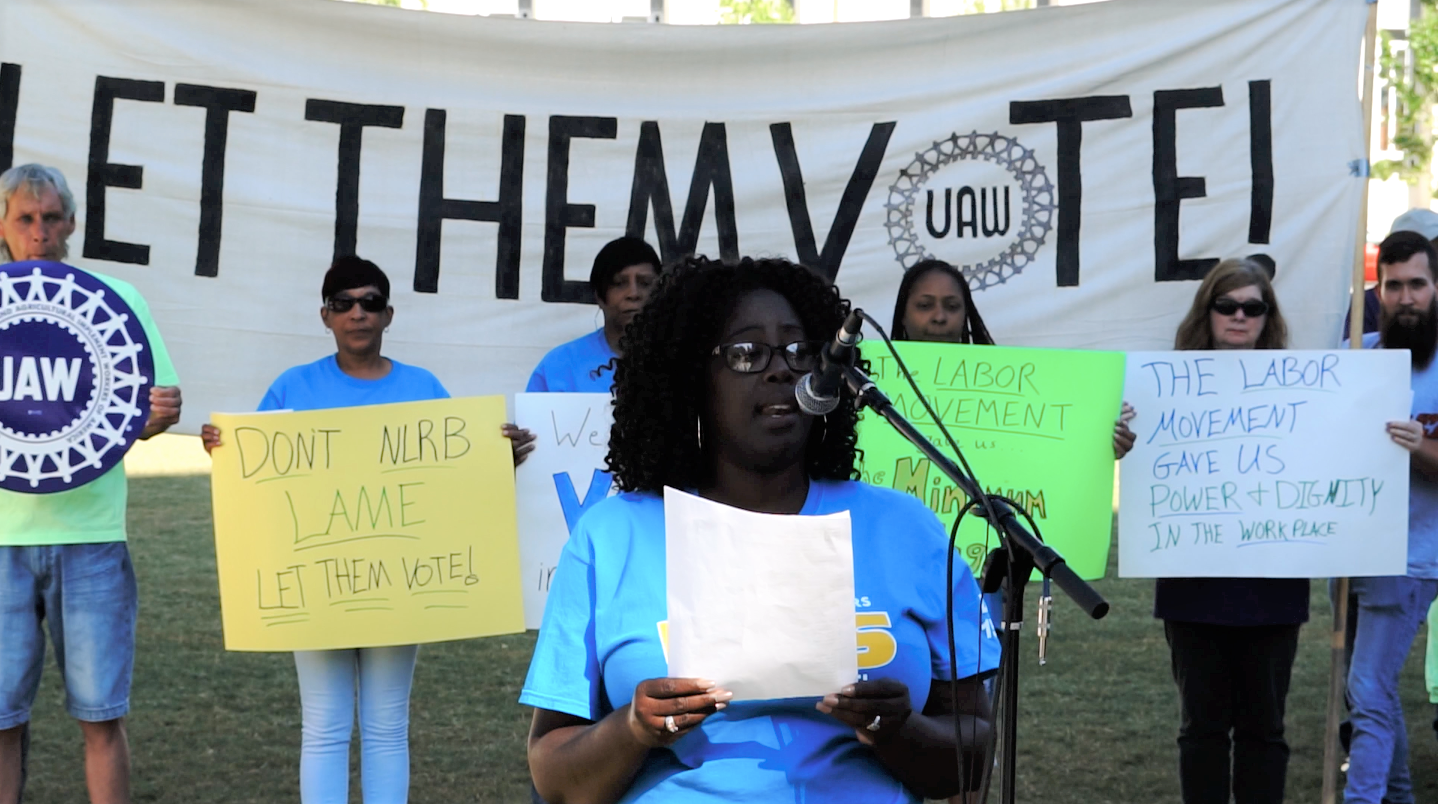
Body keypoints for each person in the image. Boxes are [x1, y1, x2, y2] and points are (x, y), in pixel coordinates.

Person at [520, 256, 1000, 803]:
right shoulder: (611, 536)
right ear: (692, 378)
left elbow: (974, 754)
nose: (780, 371)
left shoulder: (905, 528)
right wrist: (633, 729)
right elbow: (553, 777)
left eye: (799, 352)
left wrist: (900, 731)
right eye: (746, 353)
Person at [200, 256, 447, 804]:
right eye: (344, 304)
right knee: (325, 728)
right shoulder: (293, 386)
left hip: (397, 581)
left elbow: (454, 470)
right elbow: (255, 474)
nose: (358, 314)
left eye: (370, 303)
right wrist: (224, 450)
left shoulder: (423, 387)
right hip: (314, 583)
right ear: (325, 315)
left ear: (389, 315)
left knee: (387, 727)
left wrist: (499, 451)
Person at [0, 164, 183, 804]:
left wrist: (159, 416)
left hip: (91, 537)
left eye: (51, 218)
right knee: (0, 720)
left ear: (72, 223)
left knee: (102, 717)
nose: (39, 232)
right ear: (3, 226)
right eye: (25, 219)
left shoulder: (116, 301)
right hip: (1, 540)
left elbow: (149, 409)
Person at [1150, 257, 1305, 804]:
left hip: (1274, 586)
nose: (1239, 317)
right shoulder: (1164, 388)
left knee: (1265, 728)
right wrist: (1122, 442)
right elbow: (1144, 465)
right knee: (1203, 728)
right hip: (1193, 586)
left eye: (1253, 308)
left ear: (1268, 316)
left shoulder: (1302, 390)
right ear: (1207, 311)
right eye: (1227, 306)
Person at [1343, 230, 1438, 804]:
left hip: (1412, 556)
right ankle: (1398, 797)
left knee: (1368, 687)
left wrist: (1420, 448)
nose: (1405, 298)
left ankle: (1364, 798)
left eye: (1417, 285)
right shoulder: (1358, 354)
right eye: (1393, 285)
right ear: (1378, 290)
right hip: (1353, 551)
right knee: (1371, 690)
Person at [526, 236, 660, 393]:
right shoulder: (558, 366)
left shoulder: (682, 360)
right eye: (619, 283)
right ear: (599, 297)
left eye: (645, 283)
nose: (633, 294)